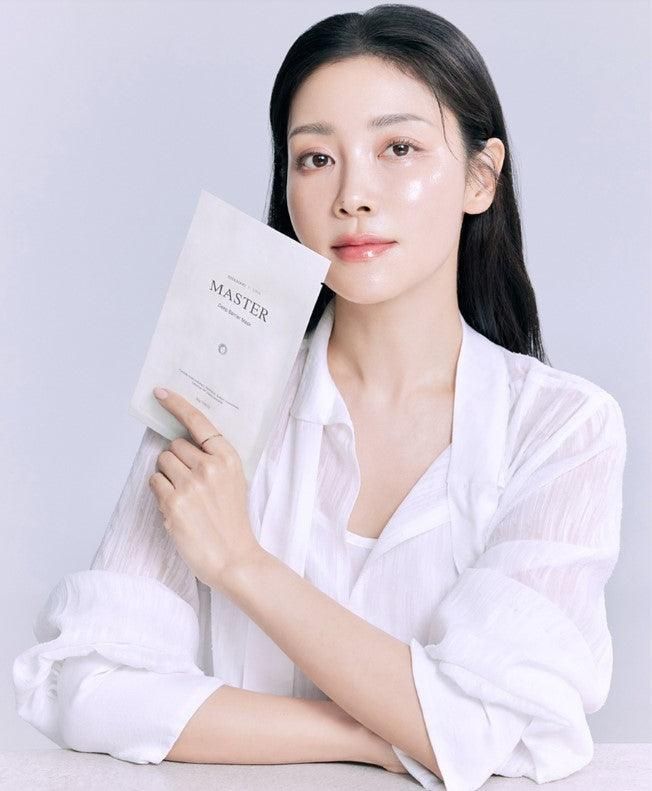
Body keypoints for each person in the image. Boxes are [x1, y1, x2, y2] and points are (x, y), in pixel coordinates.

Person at [13, 5, 627, 790]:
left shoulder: (562, 427)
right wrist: (373, 732)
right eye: (315, 158)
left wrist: (241, 562)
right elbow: (86, 685)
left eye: (398, 148)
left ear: (481, 176)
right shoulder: (215, 404)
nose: (352, 194)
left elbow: (495, 723)